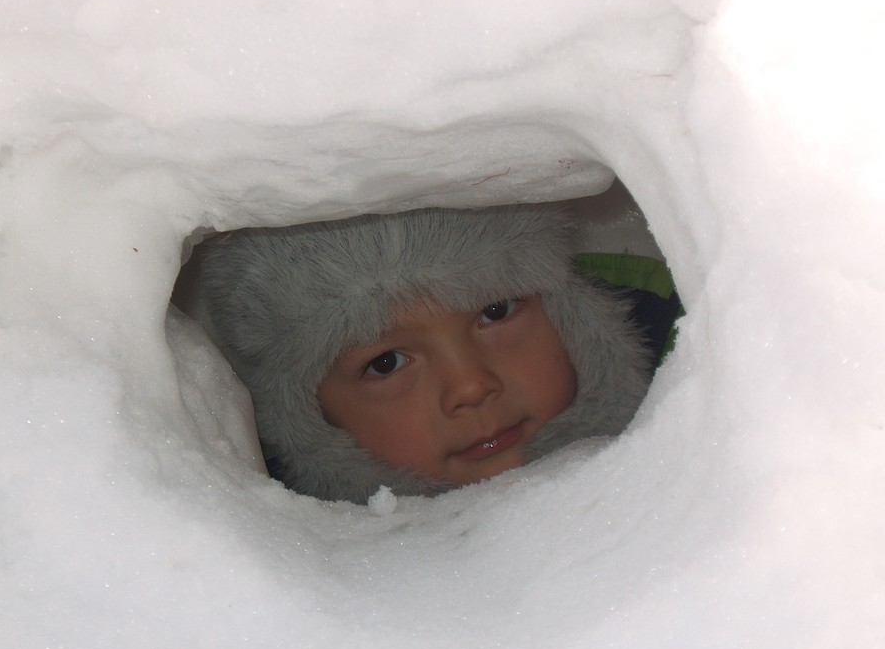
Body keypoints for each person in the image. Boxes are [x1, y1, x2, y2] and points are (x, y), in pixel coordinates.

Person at [200, 204, 677, 504]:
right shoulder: (293, 567)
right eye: (386, 362)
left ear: (570, 315)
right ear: (310, 417)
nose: (471, 386)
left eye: (495, 311)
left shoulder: (693, 389)